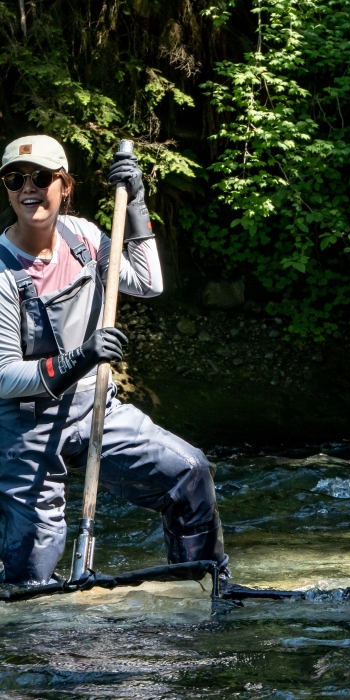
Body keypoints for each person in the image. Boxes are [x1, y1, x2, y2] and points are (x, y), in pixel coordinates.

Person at [0, 134, 228, 585]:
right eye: (15, 179)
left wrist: (139, 205)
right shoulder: (1, 270)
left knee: (189, 474)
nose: (29, 188)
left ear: (64, 186)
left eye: (41, 177)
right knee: (32, 567)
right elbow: (5, 377)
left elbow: (147, 282)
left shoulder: (83, 238)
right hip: (24, 426)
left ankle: (199, 586)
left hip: (94, 407)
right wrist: (82, 356)